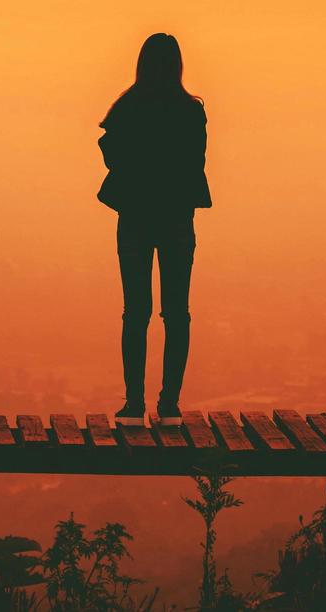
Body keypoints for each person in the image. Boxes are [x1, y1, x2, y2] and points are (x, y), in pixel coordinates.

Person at [97, 33, 211, 426]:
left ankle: (133, 403)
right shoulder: (190, 112)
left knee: (136, 313)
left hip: (136, 218)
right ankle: (169, 404)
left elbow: (110, 154)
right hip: (176, 219)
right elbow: (196, 164)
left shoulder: (128, 108)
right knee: (176, 314)